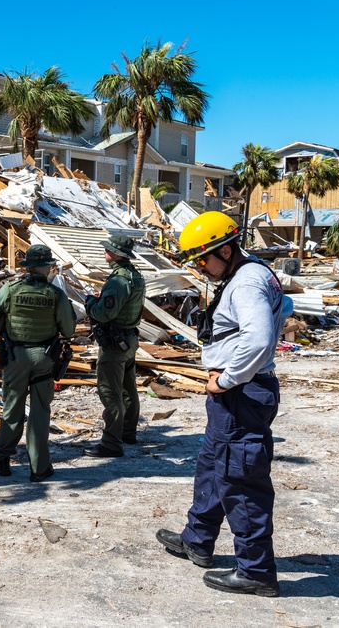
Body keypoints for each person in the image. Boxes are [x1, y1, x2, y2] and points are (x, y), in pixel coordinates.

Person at [156, 211, 287, 597]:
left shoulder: (245, 284)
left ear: (226, 251)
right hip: (236, 395)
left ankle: (256, 571)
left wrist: (227, 378)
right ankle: (197, 539)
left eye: (203, 259)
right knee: (214, 463)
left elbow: (260, 338)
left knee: (240, 479)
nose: (200, 268)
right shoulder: (252, 273)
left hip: (241, 393)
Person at [0, 244, 76, 482]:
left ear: (28, 266)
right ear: (46, 267)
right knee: (39, 413)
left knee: (11, 409)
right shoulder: (56, 295)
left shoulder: (10, 288)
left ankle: (3, 460)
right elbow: (68, 328)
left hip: (15, 357)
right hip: (44, 358)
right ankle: (39, 468)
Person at [83, 234, 146, 458]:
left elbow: (104, 312)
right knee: (128, 389)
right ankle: (127, 432)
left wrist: (90, 302)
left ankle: (111, 443)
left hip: (114, 343)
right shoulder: (134, 275)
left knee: (110, 392)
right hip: (129, 339)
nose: (105, 252)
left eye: (108, 249)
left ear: (117, 254)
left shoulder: (119, 279)